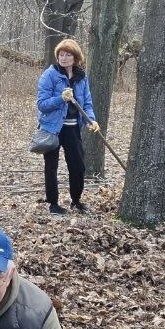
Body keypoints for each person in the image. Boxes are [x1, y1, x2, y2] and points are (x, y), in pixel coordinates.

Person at [36, 39, 101, 214]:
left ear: (76, 58)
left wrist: (91, 120)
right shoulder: (50, 75)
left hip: (73, 128)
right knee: (51, 167)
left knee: (78, 165)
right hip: (52, 129)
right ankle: (53, 204)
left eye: (68, 55)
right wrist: (60, 99)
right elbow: (42, 104)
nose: (63, 58)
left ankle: (76, 201)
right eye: (61, 55)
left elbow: (87, 103)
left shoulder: (81, 77)